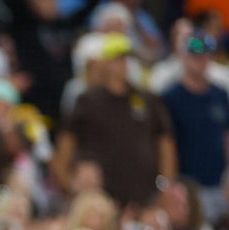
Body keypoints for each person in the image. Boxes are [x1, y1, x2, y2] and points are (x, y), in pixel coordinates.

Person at [52, 33, 176, 207]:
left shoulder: (148, 100)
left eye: (125, 58)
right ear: (104, 62)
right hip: (100, 200)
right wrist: (70, 186)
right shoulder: (87, 101)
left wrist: (165, 186)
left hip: (144, 198)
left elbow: (165, 144)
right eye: (116, 58)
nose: (122, 63)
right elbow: (65, 145)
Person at [161, 31, 229, 224]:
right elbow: (167, 144)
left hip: (218, 182)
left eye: (205, 54)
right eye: (194, 54)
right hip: (187, 185)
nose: (200, 59)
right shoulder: (171, 97)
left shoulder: (220, 94)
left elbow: (226, 136)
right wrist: (171, 184)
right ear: (183, 56)